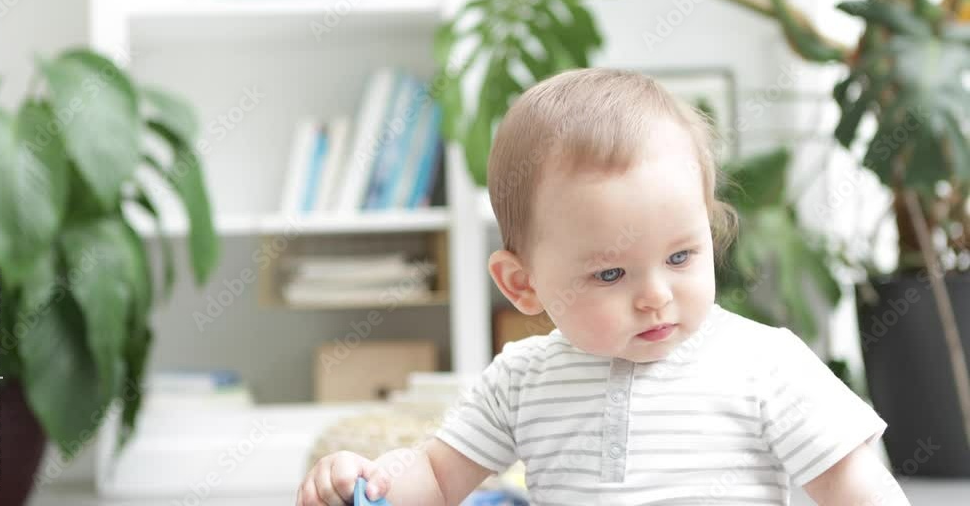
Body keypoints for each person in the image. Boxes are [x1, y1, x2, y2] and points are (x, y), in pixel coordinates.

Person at [296, 68, 910, 505]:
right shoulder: (523, 378)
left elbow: (854, 486)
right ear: (523, 284)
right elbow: (434, 477)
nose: (655, 295)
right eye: (611, 274)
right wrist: (370, 481)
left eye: (681, 256)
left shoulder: (765, 363)